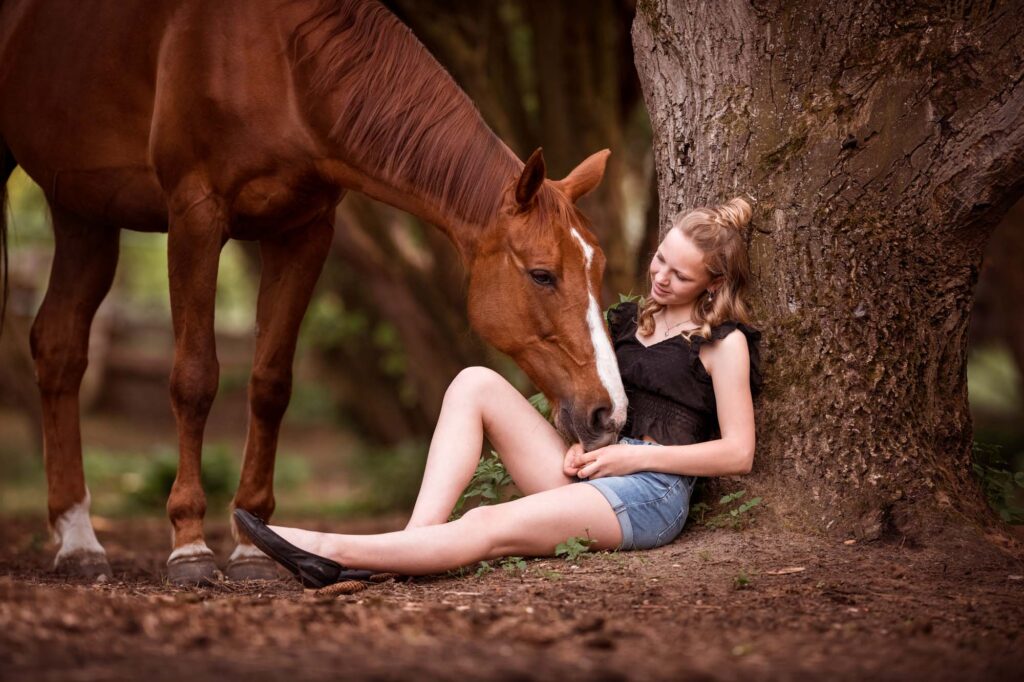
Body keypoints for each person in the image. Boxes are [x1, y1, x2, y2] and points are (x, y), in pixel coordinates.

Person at [235, 197, 763, 587]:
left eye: (680, 275)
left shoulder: (723, 343)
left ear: (713, 284)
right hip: (596, 471)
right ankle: (412, 542)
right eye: (660, 259)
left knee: (486, 522)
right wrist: (583, 446)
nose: (661, 278)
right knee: (475, 382)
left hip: (650, 492)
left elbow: (738, 453)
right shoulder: (628, 321)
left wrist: (634, 458)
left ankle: (327, 550)